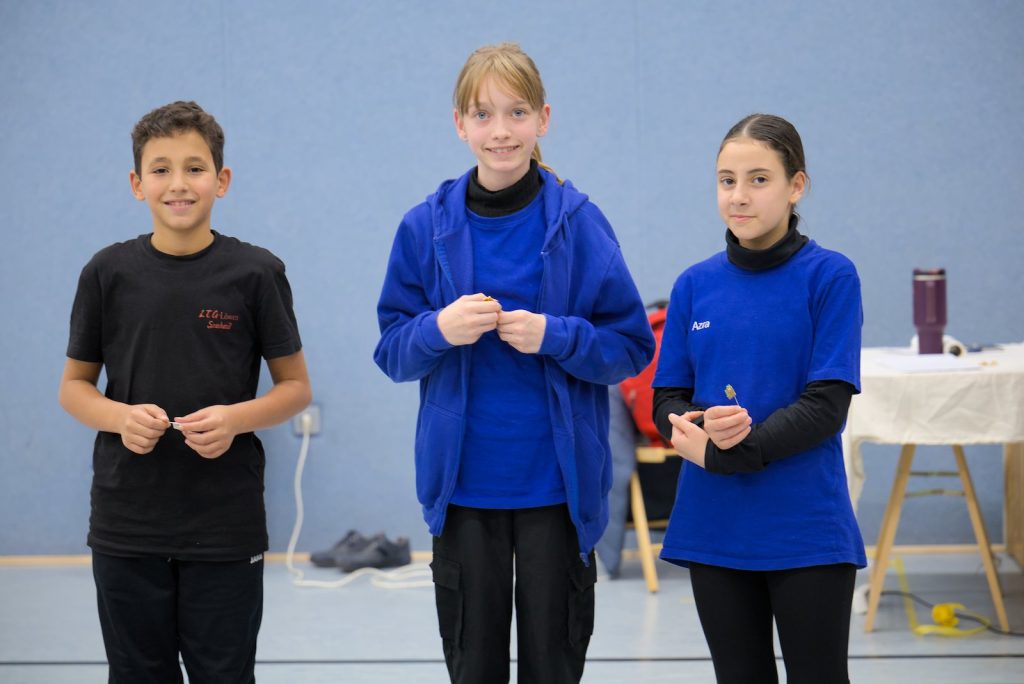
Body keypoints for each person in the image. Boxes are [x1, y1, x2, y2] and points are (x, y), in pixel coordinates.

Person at [374, 43, 655, 683]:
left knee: (553, 665)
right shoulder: (423, 228)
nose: (500, 130)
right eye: (483, 114)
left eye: (517, 112)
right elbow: (392, 352)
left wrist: (557, 335)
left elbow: (631, 346)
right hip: (463, 488)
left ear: (543, 119)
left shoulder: (582, 224)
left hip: (558, 488)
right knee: (473, 666)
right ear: (460, 124)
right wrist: (438, 329)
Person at [58, 100, 311, 683]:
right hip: (127, 523)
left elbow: (295, 388)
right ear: (136, 183)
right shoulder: (106, 273)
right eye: (161, 169)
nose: (178, 184)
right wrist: (119, 418)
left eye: (195, 168)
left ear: (221, 180)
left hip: (224, 524)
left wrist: (236, 419)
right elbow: (74, 389)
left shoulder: (256, 273)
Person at [652, 113, 866, 684]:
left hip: (805, 527)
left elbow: (826, 405)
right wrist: (697, 424)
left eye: (759, 179)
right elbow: (666, 400)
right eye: (727, 180)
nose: (738, 196)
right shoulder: (694, 284)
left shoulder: (830, 277)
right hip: (714, 525)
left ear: (797, 186)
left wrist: (730, 454)